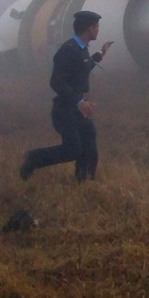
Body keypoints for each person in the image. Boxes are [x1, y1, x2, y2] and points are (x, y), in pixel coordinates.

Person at [20, 11, 114, 182]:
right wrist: (78, 101)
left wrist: (101, 53)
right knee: (72, 150)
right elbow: (56, 81)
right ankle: (33, 158)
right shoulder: (68, 50)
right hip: (65, 109)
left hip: (79, 107)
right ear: (89, 28)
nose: (98, 30)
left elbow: (84, 67)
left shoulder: (82, 49)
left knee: (90, 148)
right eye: (97, 27)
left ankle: (84, 183)